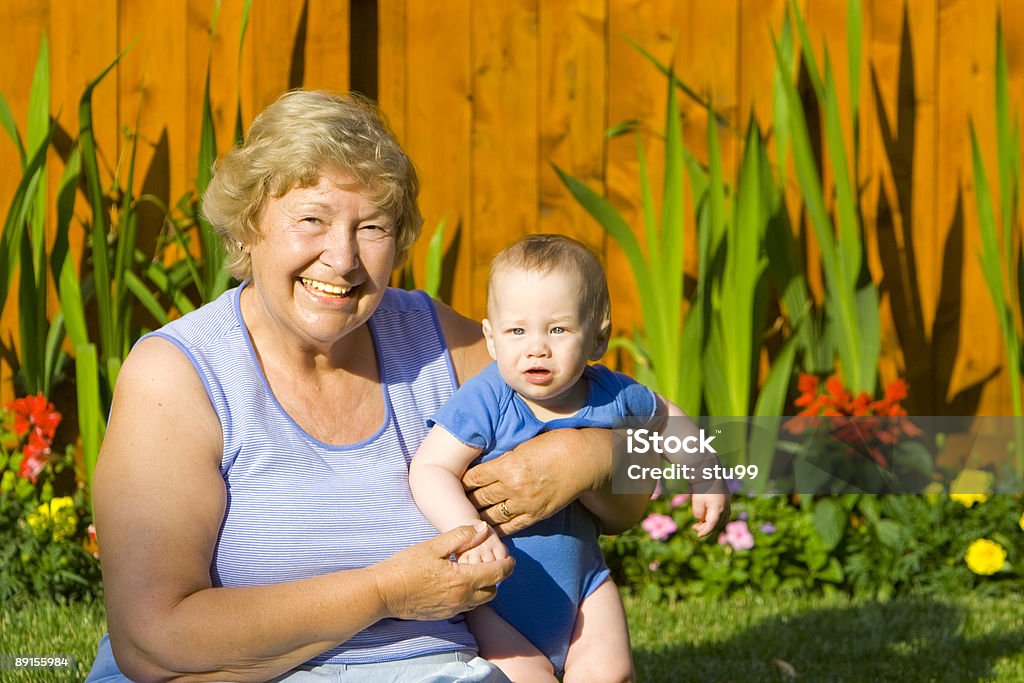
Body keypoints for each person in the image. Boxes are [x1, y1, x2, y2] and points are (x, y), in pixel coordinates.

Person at [84, 91, 652, 682]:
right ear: (250, 225)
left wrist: (592, 454)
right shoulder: (179, 373)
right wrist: (385, 592)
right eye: (311, 219)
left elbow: (722, 462)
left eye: (373, 226)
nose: (342, 257)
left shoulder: (438, 342)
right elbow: (152, 639)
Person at [409, 234, 730, 681]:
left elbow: (666, 416)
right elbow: (430, 468)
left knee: (611, 673)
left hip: (585, 588)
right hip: (497, 598)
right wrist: (469, 533)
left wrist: (706, 474)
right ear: (491, 338)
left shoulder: (611, 393)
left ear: (598, 339)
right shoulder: (488, 398)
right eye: (517, 331)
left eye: (558, 329)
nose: (536, 347)